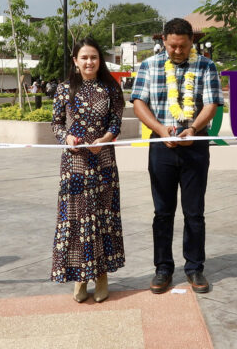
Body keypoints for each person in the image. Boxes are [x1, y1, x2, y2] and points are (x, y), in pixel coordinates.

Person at [131, 18, 223, 294]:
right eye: (172, 46)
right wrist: (160, 130)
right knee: (162, 212)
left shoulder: (206, 65)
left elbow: (211, 104)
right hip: (162, 146)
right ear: (164, 42)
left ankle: (195, 267)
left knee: (194, 212)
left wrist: (193, 128)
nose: (177, 51)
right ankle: (163, 268)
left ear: (191, 42)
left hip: (194, 145)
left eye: (182, 46)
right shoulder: (149, 65)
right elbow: (138, 102)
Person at [50, 36, 125, 303]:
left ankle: (101, 275)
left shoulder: (111, 88)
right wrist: (66, 138)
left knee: (102, 216)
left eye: (93, 57)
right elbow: (56, 123)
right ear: (75, 61)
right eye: (84, 57)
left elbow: (116, 123)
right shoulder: (64, 88)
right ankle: (80, 278)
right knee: (78, 217)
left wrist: (105, 139)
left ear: (99, 60)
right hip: (75, 164)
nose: (89, 61)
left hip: (103, 161)